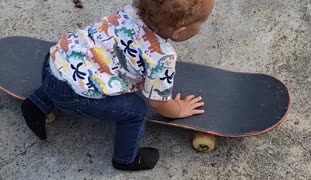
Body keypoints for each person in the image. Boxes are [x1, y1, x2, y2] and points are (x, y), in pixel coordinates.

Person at [21, 0, 215, 171]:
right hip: (76, 97)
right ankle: (126, 159)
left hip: (54, 62)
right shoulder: (162, 57)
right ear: (180, 31)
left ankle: (36, 103)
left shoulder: (130, 11)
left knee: (69, 76)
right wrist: (179, 109)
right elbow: (157, 103)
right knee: (137, 111)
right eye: (201, 23)